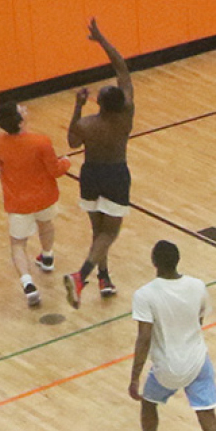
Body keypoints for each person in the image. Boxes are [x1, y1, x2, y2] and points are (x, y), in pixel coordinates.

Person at [124, 240, 216, 431]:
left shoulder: (145, 294)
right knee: (209, 421)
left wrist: (135, 376)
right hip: (198, 361)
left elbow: (144, 338)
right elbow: (199, 320)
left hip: (167, 368)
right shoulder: (197, 286)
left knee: (149, 402)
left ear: (153, 261)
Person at [64, 17, 135, 307]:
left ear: (98, 103)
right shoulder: (127, 113)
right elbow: (122, 68)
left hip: (90, 175)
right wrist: (103, 41)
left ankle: (103, 278)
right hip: (116, 174)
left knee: (98, 230)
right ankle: (82, 277)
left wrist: (77, 106)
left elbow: (71, 142)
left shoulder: (87, 124)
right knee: (111, 232)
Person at [0, 103, 71, 307]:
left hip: (18, 202)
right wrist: (66, 162)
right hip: (44, 196)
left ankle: (28, 283)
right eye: (21, 109)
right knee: (46, 224)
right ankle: (48, 256)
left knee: (18, 243)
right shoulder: (41, 142)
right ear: (21, 120)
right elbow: (55, 170)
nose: (25, 109)